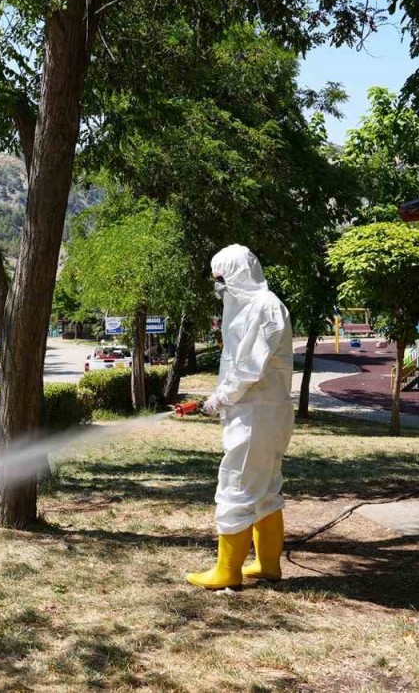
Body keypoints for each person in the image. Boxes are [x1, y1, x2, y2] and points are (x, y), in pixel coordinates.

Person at [187, 244, 294, 590]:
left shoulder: (265, 308)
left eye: (221, 277)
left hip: (256, 416)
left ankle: (227, 570)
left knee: (236, 487)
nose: (218, 285)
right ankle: (267, 564)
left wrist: (220, 397)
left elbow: (249, 369)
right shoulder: (254, 308)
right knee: (264, 490)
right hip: (260, 413)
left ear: (236, 274)